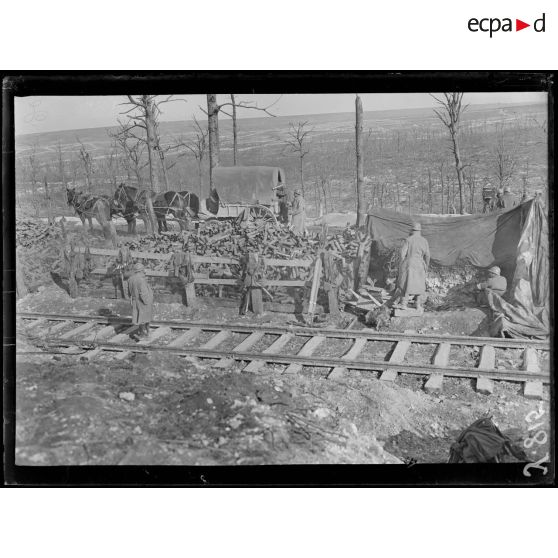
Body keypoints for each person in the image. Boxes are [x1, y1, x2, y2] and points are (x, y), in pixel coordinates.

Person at [396, 222, 430, 310]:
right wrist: (426, 265)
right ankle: (418, 305)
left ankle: (404, 304)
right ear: (420, 230)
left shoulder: (409, 240)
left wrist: (401, 263)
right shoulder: (424, 241)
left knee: (406, 284)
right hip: (419, 264)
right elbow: (428, 255)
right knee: (419, 284)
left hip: (409, 264)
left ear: (412, 230)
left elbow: (402, 253)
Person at [127, 262, 154, 337]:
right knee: (146, 318)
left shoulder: (130, 279)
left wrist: (132, 299)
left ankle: (141, 332)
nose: (144, 272)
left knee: (139, 317)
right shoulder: (141, 280)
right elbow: (143, 293)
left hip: (135, 301)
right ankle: (147, 332)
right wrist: (147, 302)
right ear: (141, 270)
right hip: (142, 301)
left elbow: (128, 292)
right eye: (143, 270)